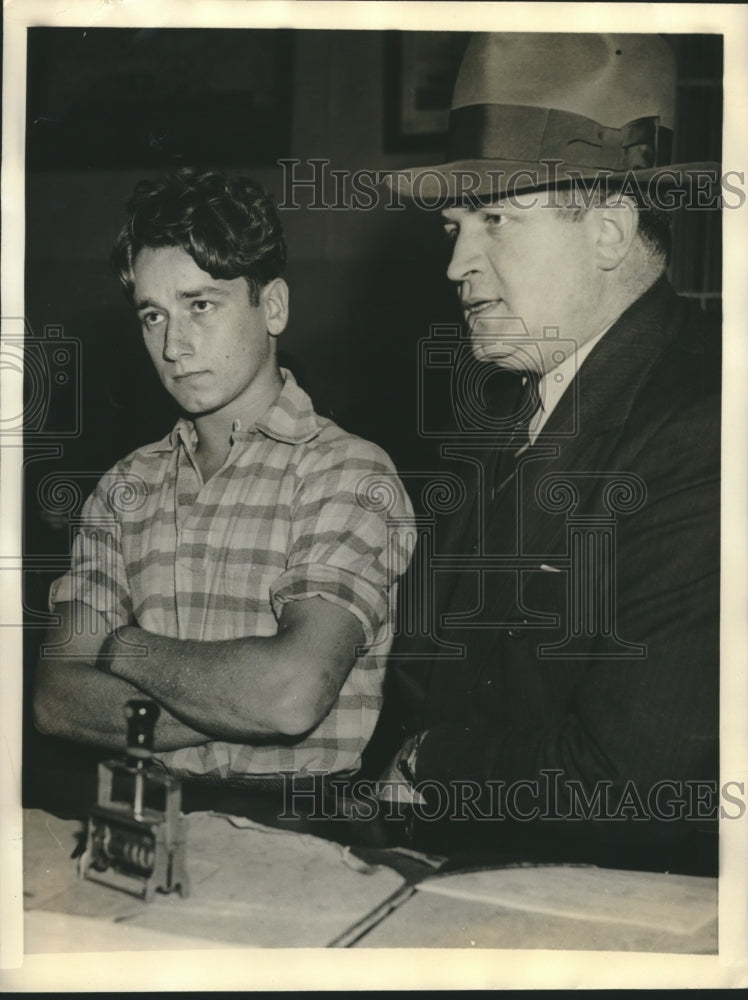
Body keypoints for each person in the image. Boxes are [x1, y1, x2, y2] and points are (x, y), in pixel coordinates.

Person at [370, 33, 721, 874]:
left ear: (608, 230)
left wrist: (426, 766)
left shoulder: (705, 424)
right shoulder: (507, 410)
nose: (457, 263)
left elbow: (629, 786)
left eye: (495, 219)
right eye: (457, 225)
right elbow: (420, 675)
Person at [33, 168, 414, 797]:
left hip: (298, 832)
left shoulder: (347, 472)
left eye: (200, 305)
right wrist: (233, 701)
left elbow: (290, 696)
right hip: (149, 817)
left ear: (274, 307)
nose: (174, 344)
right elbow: (55, 700)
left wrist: (122, 648)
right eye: (152, 316)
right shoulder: (124, 486)